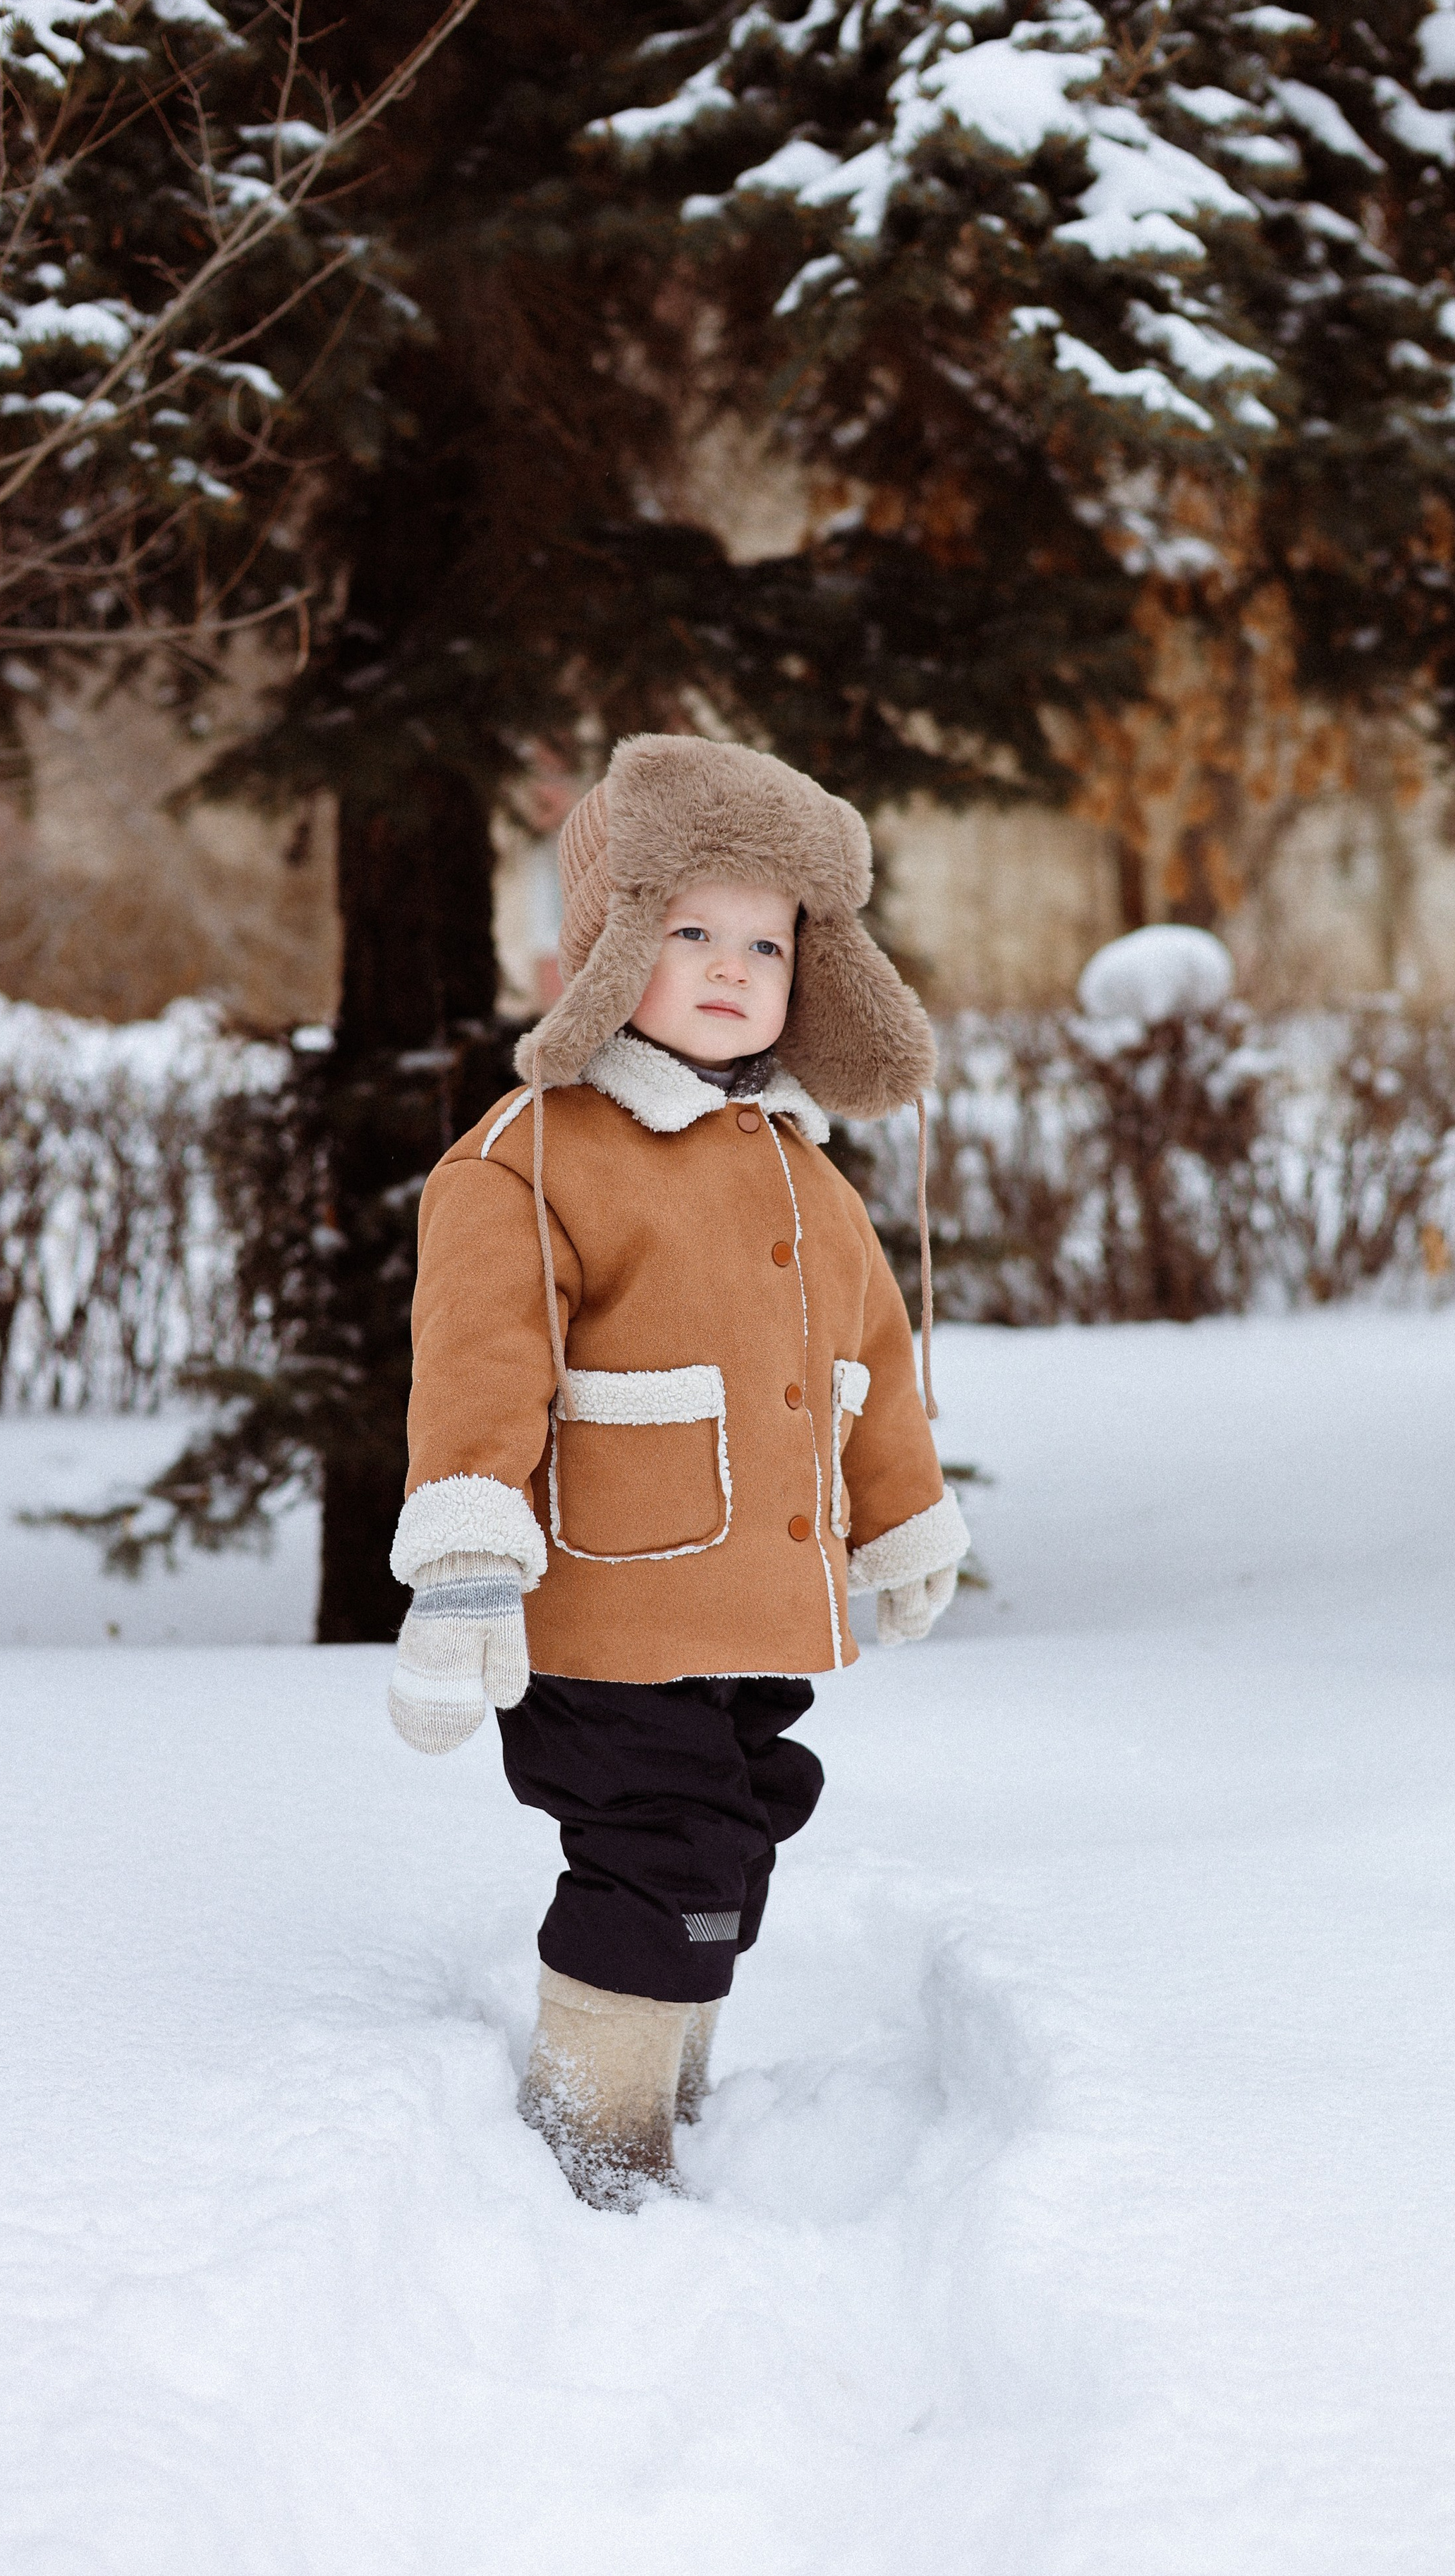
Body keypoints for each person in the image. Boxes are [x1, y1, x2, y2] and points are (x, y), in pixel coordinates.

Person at [386, 733, 968, 2207]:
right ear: (611, 941)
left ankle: (667, 2087)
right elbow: (478, 1369)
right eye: (690, 931)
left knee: (741, 1832)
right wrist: (465, 1569)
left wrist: (904, 1517)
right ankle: (599, 2140)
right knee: (666, 1852)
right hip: (610, 1613)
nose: (730, 967)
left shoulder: (802, 1170)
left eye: (765, 943)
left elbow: (869, 1361)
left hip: (749, 1614)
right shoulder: (534, 1158)